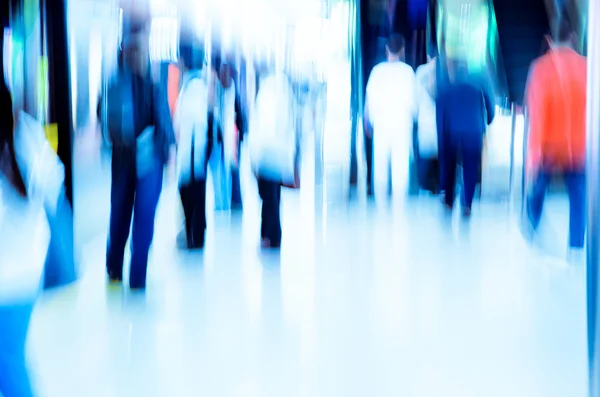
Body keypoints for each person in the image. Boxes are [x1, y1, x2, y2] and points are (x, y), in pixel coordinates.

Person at [101, 15, 175, 289]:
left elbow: (163, 121)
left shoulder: (128, 82)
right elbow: (163, 124)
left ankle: (123, 271)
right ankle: (127, 272)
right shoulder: (139, 83)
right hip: (137, 159)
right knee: (133, 215)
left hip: (135, 158)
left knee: (129, 214)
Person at [0, 78, 49, 397]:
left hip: (7, 281)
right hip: (28, 271)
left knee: (10, 368)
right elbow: (54, 183)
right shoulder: (26, 130)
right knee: (11, 362)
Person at [524, 18, 587, 251]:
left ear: (550, 40)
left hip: (547, 143)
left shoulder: (539, 68)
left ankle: (532, 223)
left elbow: (537, 109)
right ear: (573, 38)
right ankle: (577, 244)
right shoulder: (587, 67)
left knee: (539, 186)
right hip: (579, 144)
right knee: (578, 195)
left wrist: (535, 150)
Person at [436, 55, 495, 216]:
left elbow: (440, 116)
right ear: (467, 70)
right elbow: (489, 107)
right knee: (470, 167)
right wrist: (489, 121)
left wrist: (441, 137)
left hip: (451, 132)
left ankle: (448, 201)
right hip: (474, 131)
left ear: (453, 71)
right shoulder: (477, 87)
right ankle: (467, 204)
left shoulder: (445, 89)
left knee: (449, 165)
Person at [248, 62, 298, 249]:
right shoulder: (285, 97)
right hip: (278, 156)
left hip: (266, 155)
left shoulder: (265, 97)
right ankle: (270, 235)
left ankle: (271, 236)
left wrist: (255, 155)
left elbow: (261, 129)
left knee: (268, 198)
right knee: (273, 198)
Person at [363, 33, 417, 201]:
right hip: (401, 124)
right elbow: (414, 103)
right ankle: (398, 201)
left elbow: (368, 100)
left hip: (381, 124)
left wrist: (367, 122)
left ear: (387, 49)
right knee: (400, 166)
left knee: (379, 165)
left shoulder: (377, 71)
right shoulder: (408, 72)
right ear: (402, 50)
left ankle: (380, 200)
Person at [174, 33, 211, 250]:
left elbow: (194, 124)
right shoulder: (193, 85)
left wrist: (192, 158)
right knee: (193, 195)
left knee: (191, 195)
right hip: (192, 155)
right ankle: (193, 235)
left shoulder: (194, 86)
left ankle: (194, 237)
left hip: (192, 155)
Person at [415, 45, 440, 193]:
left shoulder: (420, 72)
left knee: (425, 160)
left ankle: (426, 188)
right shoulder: (446, 71)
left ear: (428, 55)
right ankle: (440, 188)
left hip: (425, 121)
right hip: (443, 124)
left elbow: (415, 97)